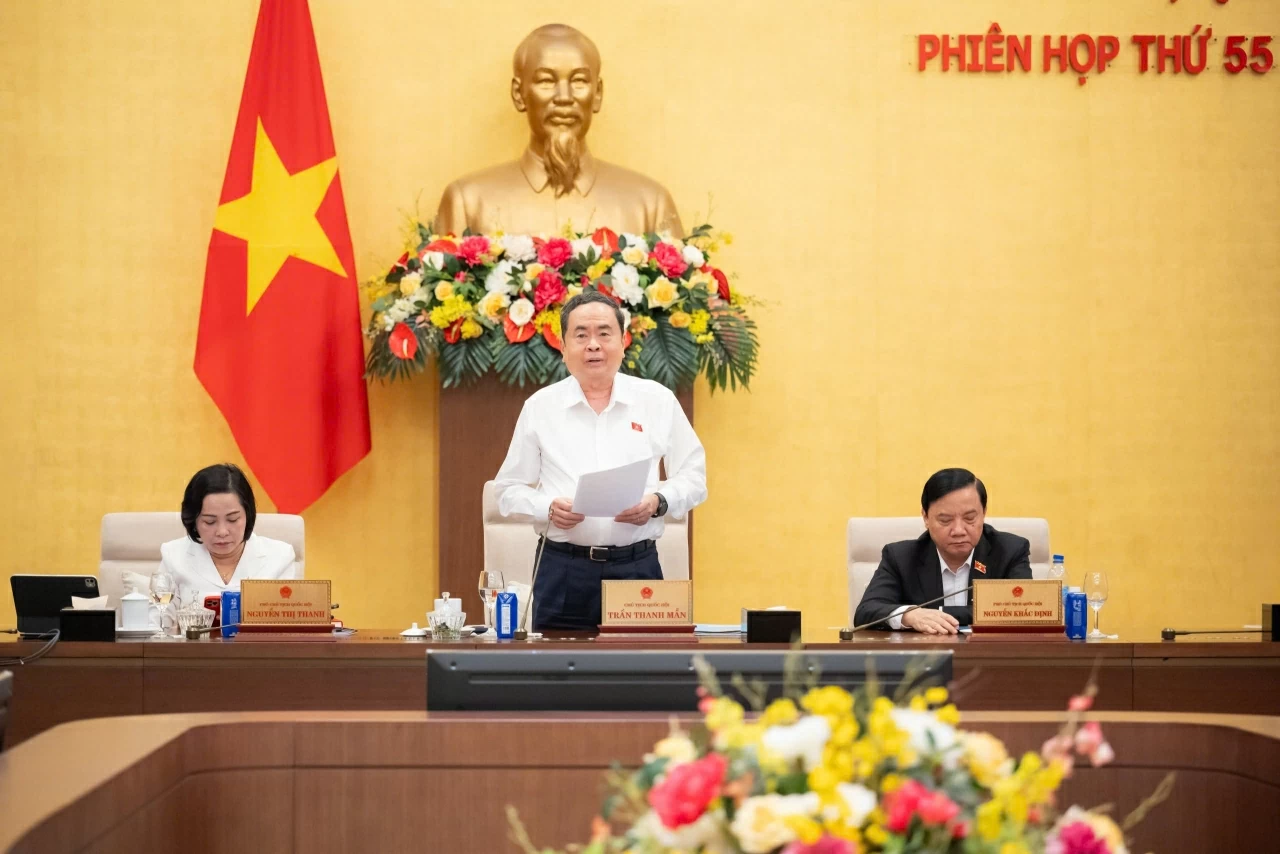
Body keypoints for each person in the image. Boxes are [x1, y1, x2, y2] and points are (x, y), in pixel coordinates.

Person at [493, 290, 706, 630]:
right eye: (581, 335)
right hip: (563, 570)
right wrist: (547, 507)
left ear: (623, 342)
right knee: (559, 664)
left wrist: (658, 501)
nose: (593, 345)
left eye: (604, 333)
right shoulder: (540, 407)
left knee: (643, 663)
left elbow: (694, 477)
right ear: (563, 348)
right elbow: (507, 489)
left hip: (636, 569)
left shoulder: (657, 401)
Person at [434, 23, 683, 237]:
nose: (564, 97)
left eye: (579, 81)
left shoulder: (649, 205)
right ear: (519, 94)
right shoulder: (468, 203)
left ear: (597, 94)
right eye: (546, 80)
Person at [854, 468, 1031, 634]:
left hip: (989, 654)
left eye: (970, 518)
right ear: (925, 517)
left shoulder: (1010, 551)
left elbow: (1023, 611)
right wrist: (910, 615)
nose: (959, 530)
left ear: (983, 513)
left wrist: (938, 613)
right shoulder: (901, 557)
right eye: (945, 520)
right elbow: (866, 611)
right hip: (926, 655)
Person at [158, 463, 299, 602]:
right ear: (194, 521)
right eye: (210, 521)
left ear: (248, 515)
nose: (222, 532)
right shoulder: (173, 556)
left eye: (233, 519)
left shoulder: (280, 557)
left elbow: (286, 615)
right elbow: (159, 615)